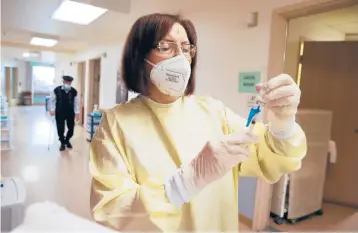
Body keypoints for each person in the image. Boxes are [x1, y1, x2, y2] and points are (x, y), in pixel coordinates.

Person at [89, 13, 307, 232]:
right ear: (139, 56)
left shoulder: (214, 111)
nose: (181, 58)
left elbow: (268, 156)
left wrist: (283, 123)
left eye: (186, 49)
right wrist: (184, 183)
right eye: (165, 47)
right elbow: (112, 210)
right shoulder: (115, 124)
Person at [49, 75, 80, 151]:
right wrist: (52, 109)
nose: (67, 83)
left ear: (71, 83)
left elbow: (76, 103)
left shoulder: (74, 91)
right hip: (60, 111)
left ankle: (67, 140)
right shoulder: (56, 90)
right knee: (60, 128)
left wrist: (77, 113)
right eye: (66, 82)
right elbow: (51, 101)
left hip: (70, 112)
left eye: (69, 82)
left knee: (71, 128)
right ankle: (62, 143)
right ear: (63, 82)